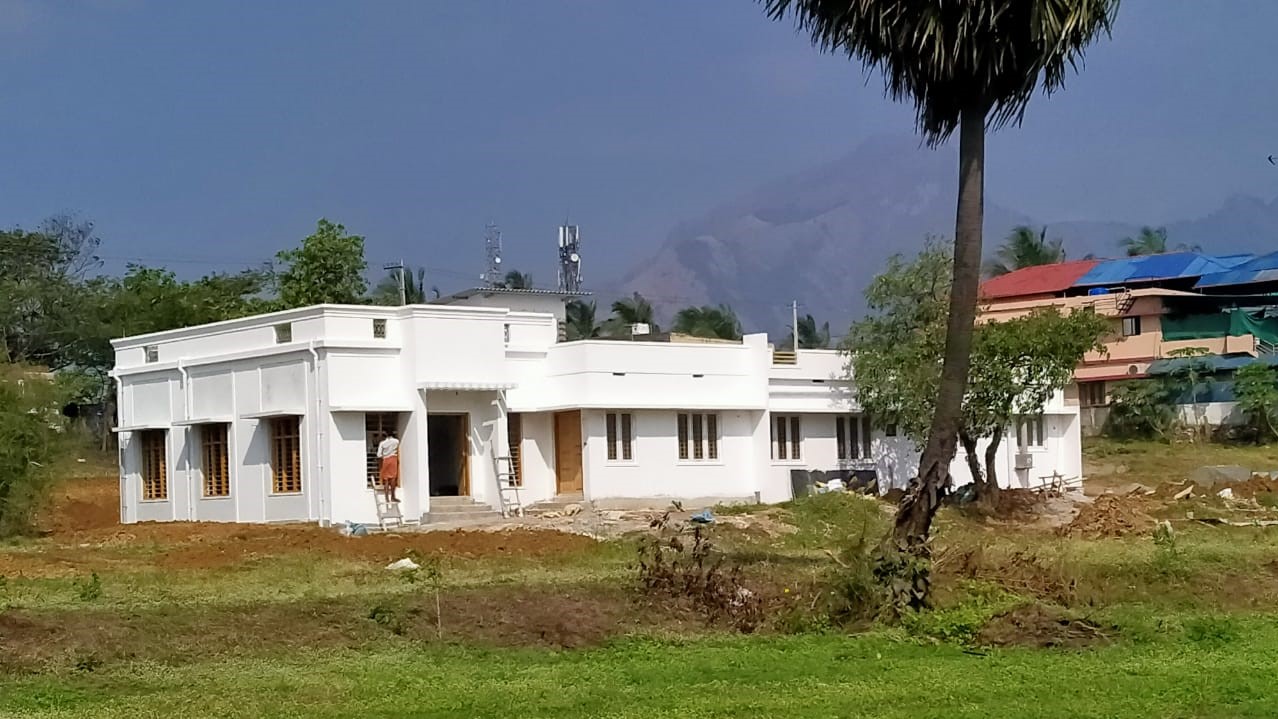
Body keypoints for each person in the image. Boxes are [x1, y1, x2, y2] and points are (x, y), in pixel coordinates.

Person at [377, 429, 401, 502]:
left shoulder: (382, 443)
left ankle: (387, 498)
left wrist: (385, 455)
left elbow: (379, 455)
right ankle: (393, 497)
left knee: (386, 479)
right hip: (393, 459)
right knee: (393, 478)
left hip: (385, 460)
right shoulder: (396, 441)